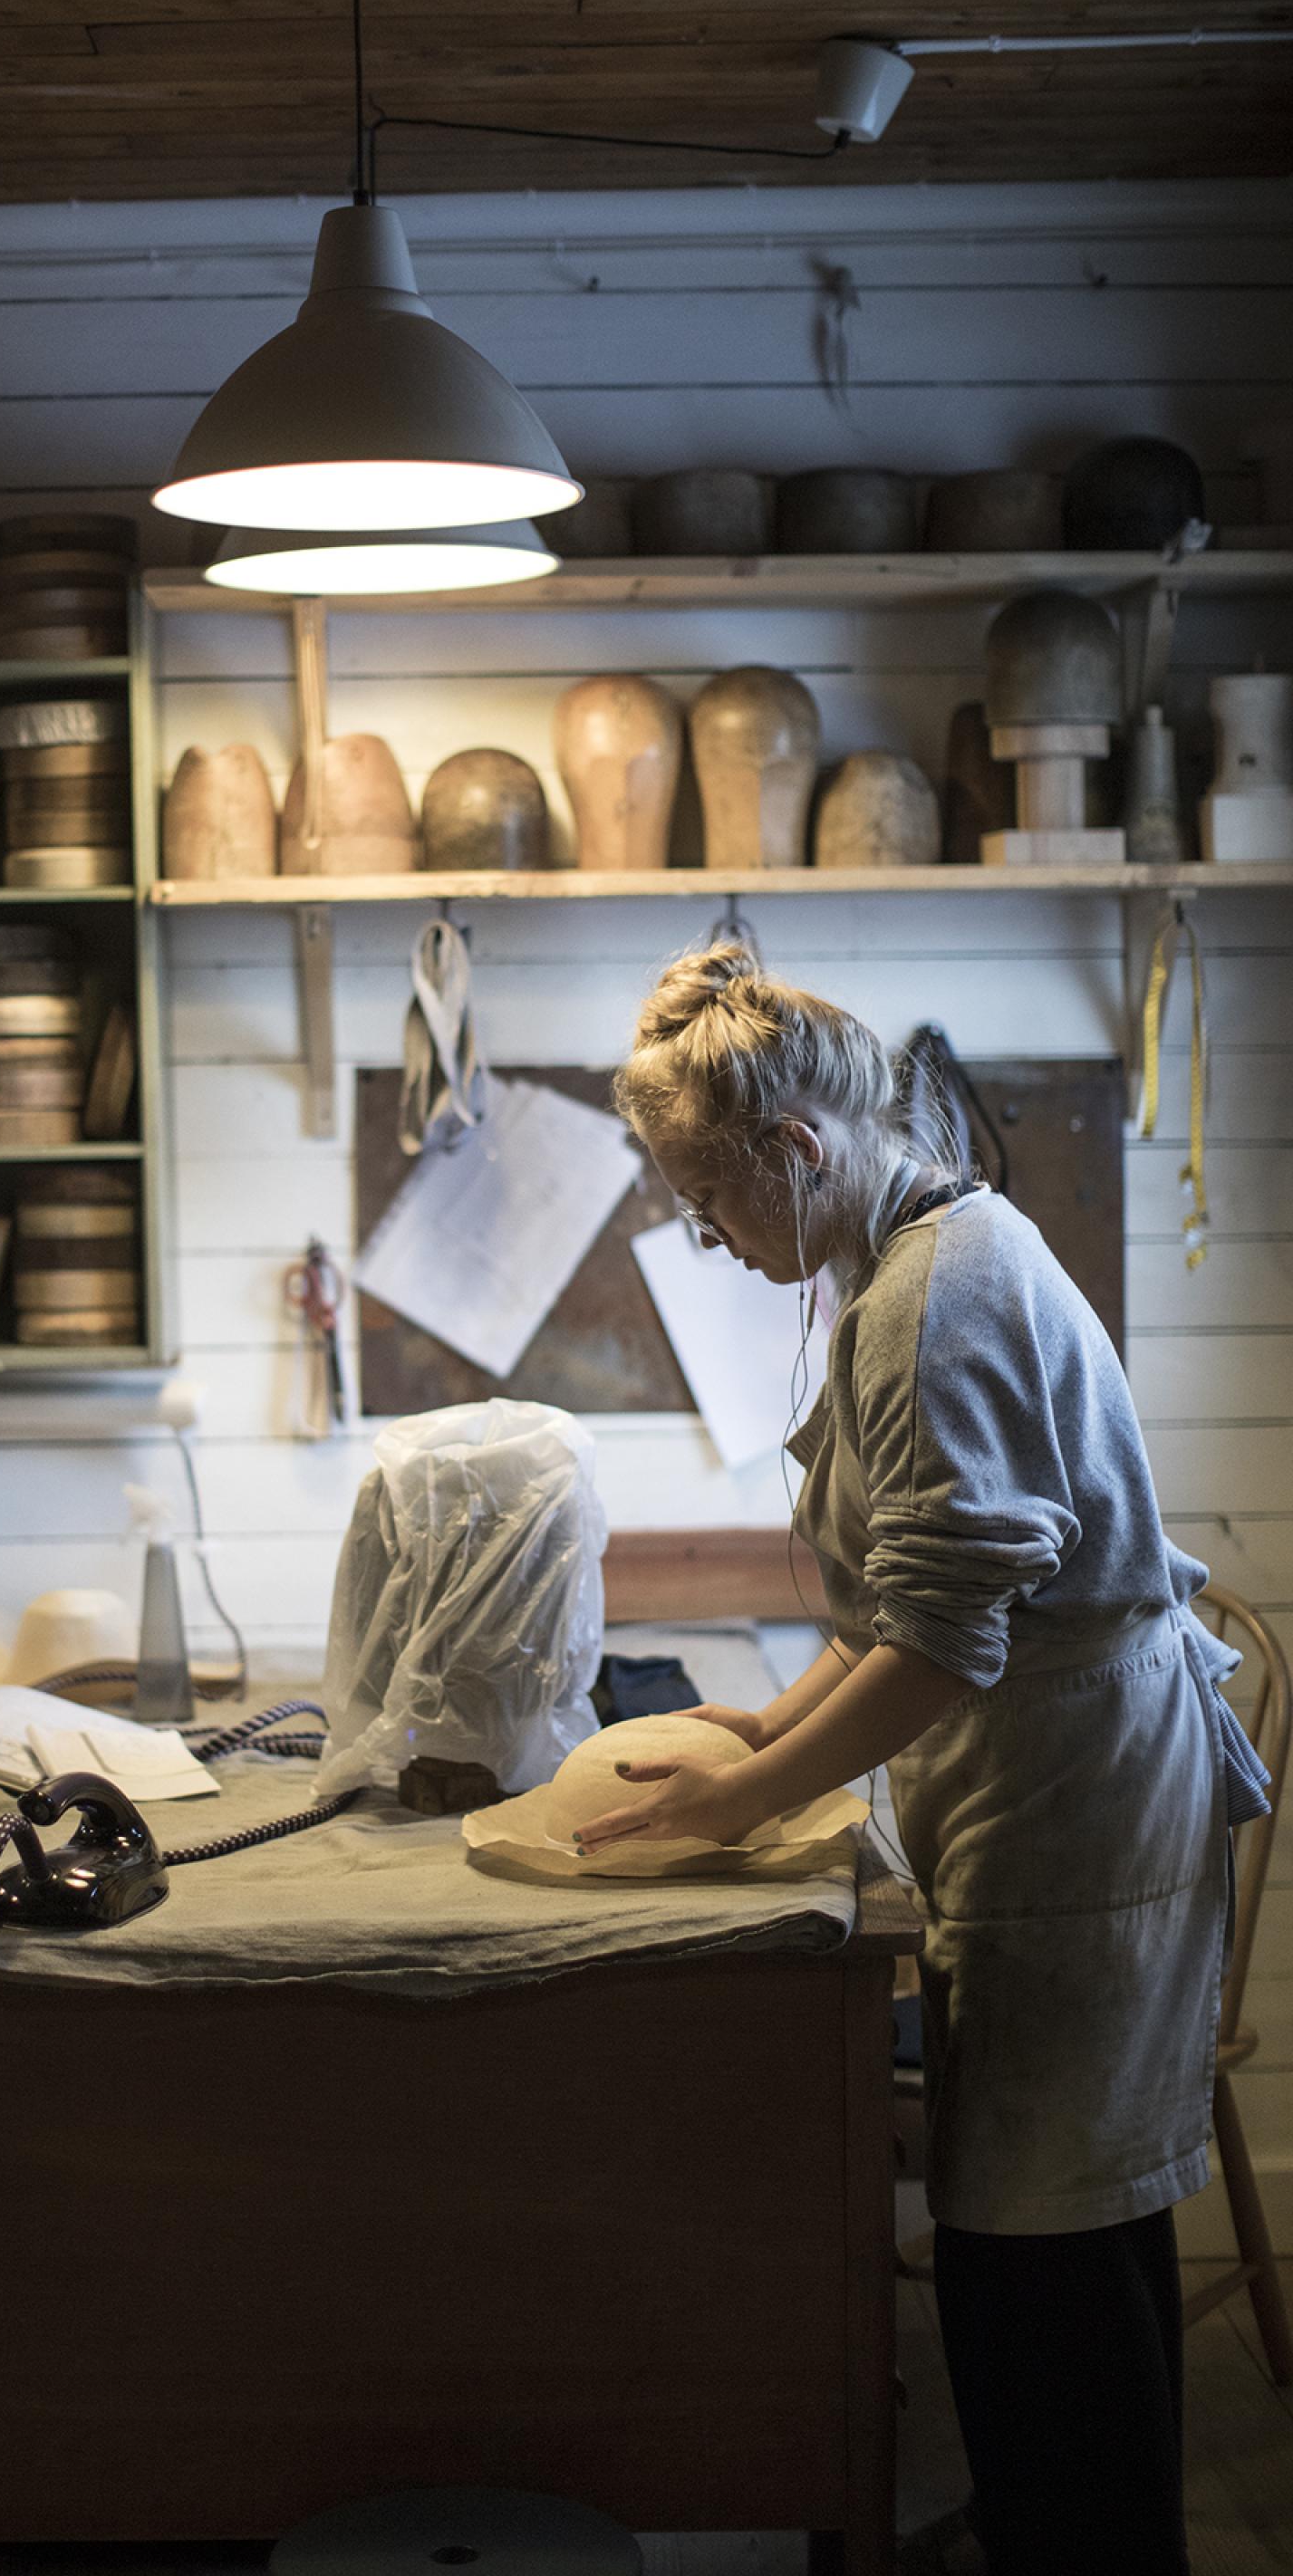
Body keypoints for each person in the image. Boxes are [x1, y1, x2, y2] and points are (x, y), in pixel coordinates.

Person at [574, 940, 1270, 2576]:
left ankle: (1084, 2543)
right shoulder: (904, 1265)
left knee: (1047, 2237)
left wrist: (748, 1799)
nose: (714, 1242)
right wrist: (771, 1722)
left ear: (797, 1155)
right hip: (1034, 1776)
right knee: (1042, 2219)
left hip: (1075, 1797)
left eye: (711, 1203)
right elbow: (902, 1596)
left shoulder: (938, 1296)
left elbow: (953, 1638)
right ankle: (1062, 2519)